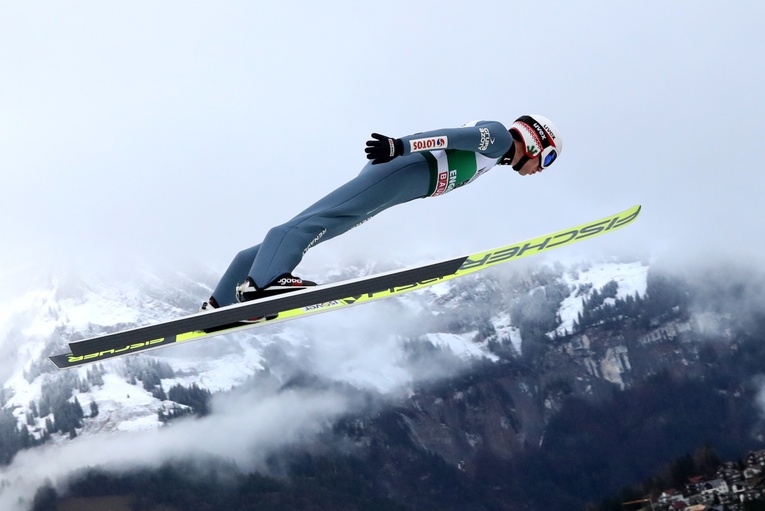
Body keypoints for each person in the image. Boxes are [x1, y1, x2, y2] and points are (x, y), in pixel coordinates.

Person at [202, 115, 563, 312]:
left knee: (324, 225)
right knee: (317, 222)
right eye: (546, 159)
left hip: (398, 185)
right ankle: (266, 283)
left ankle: (223, 303)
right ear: (534, 141)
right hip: (399, 172)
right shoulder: (499, 136)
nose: (540, 169)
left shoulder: (496, 157)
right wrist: (400, 145)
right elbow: (449, 136)